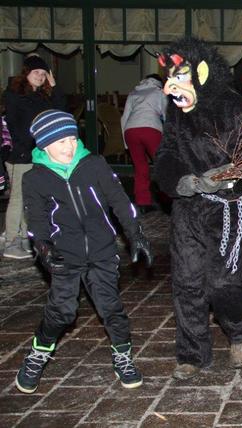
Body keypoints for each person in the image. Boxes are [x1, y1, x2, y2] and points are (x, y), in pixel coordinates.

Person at [16, 109, 152, 394]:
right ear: (44, 145)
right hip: (64, 255)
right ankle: (38, 353)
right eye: (61, 141)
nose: (70, 146)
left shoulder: (94, 164)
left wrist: (135, 234)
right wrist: (44, 249)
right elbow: (37, 221)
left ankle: (123, 357)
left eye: (72, 138)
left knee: (111, 308)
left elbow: (119, 201)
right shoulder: (35, 179)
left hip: (102, 251)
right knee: (62, 312)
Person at [154, 37, 242, 380]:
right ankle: (192, 354)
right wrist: (181, 182)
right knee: (186, 281)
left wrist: (229, 172)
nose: (171, 87)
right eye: (169, 78)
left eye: (179, 76)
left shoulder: (234, 107)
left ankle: (240, 330)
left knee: (221, 282)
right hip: (189, 206)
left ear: (200, 72)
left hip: (229, 207)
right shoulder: (176, 110)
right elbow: (167, 152)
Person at [2, 55, 65, 260]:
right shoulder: (14, 94)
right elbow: (15, 125)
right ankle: (11, 241)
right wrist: (25, 148)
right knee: (18, 198)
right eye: (36, 72)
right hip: (20, 154)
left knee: (30, 198)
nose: (40, 76)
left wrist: (54, 87)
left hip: (37, 154)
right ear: (26, 73)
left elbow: (60, 113)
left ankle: (23, 238)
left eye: (44, 74)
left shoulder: (42, 96)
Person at [121, 74, 168, 212]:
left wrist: (126, 143)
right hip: (151, 128)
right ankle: (166, 200)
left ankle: (142, 202)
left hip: (131, 130)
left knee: (140, 167)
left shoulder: (134, 93)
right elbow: (166, 114)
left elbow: (124, 117)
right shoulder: (159, 92)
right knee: (161, 165)